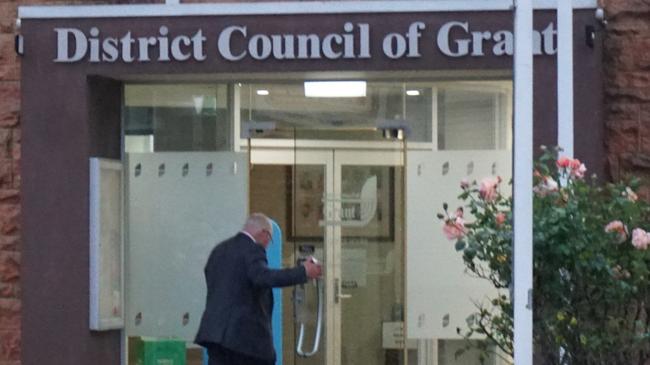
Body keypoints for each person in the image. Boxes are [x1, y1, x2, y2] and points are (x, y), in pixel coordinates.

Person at [195, 213, 322, 365]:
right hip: (244, 340)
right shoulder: (253, 249)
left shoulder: (219, 250)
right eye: (270, 240)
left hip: (215, 335)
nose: (268, 244)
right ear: (264, 233)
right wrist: (303, 271)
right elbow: (263, 277)